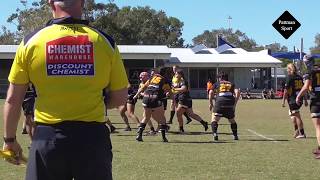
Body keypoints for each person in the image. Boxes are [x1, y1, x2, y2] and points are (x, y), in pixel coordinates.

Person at [2, 1, 128, 179]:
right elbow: (121, 97)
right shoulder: (105, 41)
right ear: (82, 2)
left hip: (47, 138)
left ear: (50, 2)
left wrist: (9, 140)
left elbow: (13, 99)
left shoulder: (31, 41)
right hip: (93, 139)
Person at [133, 67, 170, 142]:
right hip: (155, 98)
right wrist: (171, 96)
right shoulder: (165, 80)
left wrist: (136, 95)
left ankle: (139, 135)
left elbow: (143, 87)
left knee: (146, 117)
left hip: (146, 98)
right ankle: (163, 138)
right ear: (165, 73)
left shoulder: (152, 78)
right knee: (162, 118)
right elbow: (169, 91)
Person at [296, 55, 320, 159]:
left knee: (318, 127)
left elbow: (306, 87)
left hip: (316, 101)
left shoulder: (308, 73)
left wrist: (298, 96)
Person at [209, 72, 240, 141]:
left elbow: (210, 92)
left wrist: (210, 103)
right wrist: (234, 104)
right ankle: (235, 135)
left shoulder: (217, 84)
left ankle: (215, 134)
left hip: (220, 102)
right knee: (232, 120)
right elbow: (237, 92)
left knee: (214, 119)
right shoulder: (231, 84)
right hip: (230, 103)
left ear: (220, 78)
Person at [282, 63, 307, 139]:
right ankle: (296, 131)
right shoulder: (299, 77)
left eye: (287, 69)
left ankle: (302, 133)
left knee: (297, 116)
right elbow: (304, 89)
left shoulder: (289, 77)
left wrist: (283, 101)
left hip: (293, 100)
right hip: (299, 99)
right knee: (292, 115)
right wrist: (305, 100)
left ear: (290, 69)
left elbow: (286, 90)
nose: (287, 70)